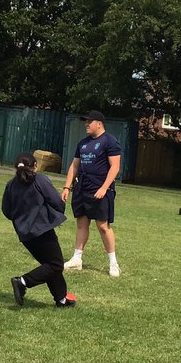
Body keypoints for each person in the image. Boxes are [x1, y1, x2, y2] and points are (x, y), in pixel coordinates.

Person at [2, 152, 76, 308]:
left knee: (48, 264)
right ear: (35, 166)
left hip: (25, 235)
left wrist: (21, 219)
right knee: (56, 265)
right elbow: (56, 201)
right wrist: (59, 209)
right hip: (42, 230)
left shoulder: (10, 185)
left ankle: (61, 299)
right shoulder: (39, 180)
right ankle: (22, 282)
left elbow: (6, 211)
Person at [61, 110, 122, 278]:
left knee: (102, 226)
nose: (86, 125)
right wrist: (67, 187)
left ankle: (113, 263)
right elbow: (74, 166)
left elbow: (115, 167)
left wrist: (104, 188)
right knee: (81, 223)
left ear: (99, 124)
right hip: (82, 188)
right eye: (85, 122)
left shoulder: (110, 141)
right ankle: (76, 259)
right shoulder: (82, 143)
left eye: (89, 121)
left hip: (100, 188)